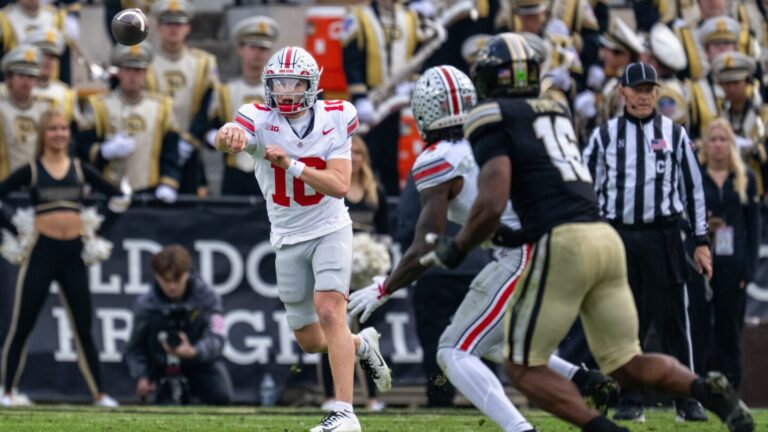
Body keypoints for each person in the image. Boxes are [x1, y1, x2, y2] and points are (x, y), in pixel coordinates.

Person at [421, 33, 754, 432]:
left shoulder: (490, 115)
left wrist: (457, 248)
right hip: (606, 238)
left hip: (567, 243)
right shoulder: (556, 109)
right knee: (627, 362)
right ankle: (703, 387)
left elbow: (493, 202)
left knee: (521, 366)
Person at [349, 64, 615, 432]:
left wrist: (384, 287)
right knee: (485, 339)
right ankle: (584, 380)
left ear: (424, 112)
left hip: (524, 252)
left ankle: (520, 429)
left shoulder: (438, 158)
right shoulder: (493, 137)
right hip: (562, 241)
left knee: (452, 350)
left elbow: (426, 245)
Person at [215, 46, 391, 432]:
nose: (285, 91)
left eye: (294, 83)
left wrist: (291, 165)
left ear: (311, 85)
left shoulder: (336, 116)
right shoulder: (258, 118)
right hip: (287, 236)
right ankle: (361, 344)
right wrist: (227, 135)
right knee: (310, 340)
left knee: (330, 311)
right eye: (278, 83)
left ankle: (344, 413)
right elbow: (230, 138)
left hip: (330, 227)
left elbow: (340, 185)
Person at [583, 62, 712, 422]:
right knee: (625, 322)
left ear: (657, 93)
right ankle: (630, 398)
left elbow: (693, 190)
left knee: (674, 321)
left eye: (649, 90)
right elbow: (585, 188)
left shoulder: (675, 134)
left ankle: (686, 399)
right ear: (622, 92)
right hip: (618, 236)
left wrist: (701, 241)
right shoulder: (604, 136)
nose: (643, 97)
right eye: (636, 90)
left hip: (663, 235)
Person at [0, 108, 127, 407]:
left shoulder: (80, 168)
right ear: (43, 135)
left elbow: (119, 196)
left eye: (63, 129)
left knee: (83, 327)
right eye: (53, 129)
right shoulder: (32, 170)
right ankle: (7, 391)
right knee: (22, 324)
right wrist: (16, 230)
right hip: (41, 252)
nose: (59, 134)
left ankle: (99, 394)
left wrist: (97, 231)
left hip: (73, 254)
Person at [320, 134, 388, 412]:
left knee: (368, 332)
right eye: (351, 153)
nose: (356, 158)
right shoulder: (333, 186)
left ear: (365, 158)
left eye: (359, 153)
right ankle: (331, 396)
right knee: (332, 327)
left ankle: (371, 397)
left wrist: (375, 258)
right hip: (337, 265)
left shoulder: (376, 191)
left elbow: (385, 233)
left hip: (365, 273)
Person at [125, 244, 233, 405]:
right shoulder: (146, 304)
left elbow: (217, 337)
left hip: (199, 362)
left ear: (187, 273)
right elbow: (135, 347)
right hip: (160, 364)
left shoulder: (208, 297)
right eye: (166, 280)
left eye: (177, 279)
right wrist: (142, 376)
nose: (172, 286)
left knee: (220, 396)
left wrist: (195, 351)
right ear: (156, 276)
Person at [699, 118, 761, 390]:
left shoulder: (745, 178)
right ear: (706, 144)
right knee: (701, 328)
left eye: (723, 139)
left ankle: (732, 390)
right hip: (702, 262)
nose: (718, 145)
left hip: (733, 264)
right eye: (713, 139)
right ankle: (700, 389)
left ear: (731, 144)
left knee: (730, 330)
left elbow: (754, 227)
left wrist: (749, 270)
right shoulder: (696, 176)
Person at [77, 42, 181, 202]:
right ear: (118, 72)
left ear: (146, 73)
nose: (133, 76)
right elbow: (82, 147)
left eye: (138, 70)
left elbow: (171, 151)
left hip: (149, 190)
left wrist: (168, 183)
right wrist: (104, 151)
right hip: (107, 190)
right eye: (127, 69)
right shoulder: (99, 105)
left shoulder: (162, 107)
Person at [148, 0, 218, 197]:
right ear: (158, 26)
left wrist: (190, 138)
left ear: (188, 27)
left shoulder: (203, 62)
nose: (174, 29)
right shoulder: (146, 62)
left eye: (179, 23)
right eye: (168, 23)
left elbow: (209, 105)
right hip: (155, 150)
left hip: (191, 147)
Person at [207, 15, 278, 197]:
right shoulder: (224, 91)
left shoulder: (280, 92)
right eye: (253, 47)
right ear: (240, 49)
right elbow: (208, 128)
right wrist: (217, 136)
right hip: (234, 174)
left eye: (264, 48)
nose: (258, 53)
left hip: (272, 172)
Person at [0, 44, 53, 179]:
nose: (26, 81)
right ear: (8, 79)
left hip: (38, 181)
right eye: (21, 75)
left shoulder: (45, 108)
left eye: (31, 76)